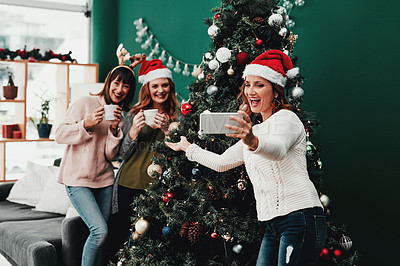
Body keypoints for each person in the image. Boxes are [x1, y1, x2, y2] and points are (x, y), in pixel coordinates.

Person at [166, 50, 326, 266]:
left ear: (276, 91)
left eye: (259, 84)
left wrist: (250, 139)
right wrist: (188, 148)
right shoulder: (256, 130)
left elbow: (277, 149)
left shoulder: (287, 119)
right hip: (272, 224)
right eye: (248, 84)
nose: (251, 90)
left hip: (300, 217)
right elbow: (222, 163)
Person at [55, 44, 143, 266]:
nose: (120, 88)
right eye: (117, 82)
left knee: (102, 237)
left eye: (126, 85)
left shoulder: (120, 117)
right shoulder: (86, 102)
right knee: (99, 231)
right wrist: (87, 124)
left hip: (104, 181)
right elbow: (59, 134)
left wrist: (114, 131)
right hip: (78, 181)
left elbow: (110, 156)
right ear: (109, 83)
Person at [107, 58, 177, 260]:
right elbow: (123, 154)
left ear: (170, 87)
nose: (160, 90)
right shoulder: (134, 114)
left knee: (151, 244)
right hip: (128, 184)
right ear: (148, 88)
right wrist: (134, 131)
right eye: (155, 86)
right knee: (120, 238)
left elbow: (177, 157)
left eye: (164, 85)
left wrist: (166, 131)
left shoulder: (178, 117)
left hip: (158, 189)